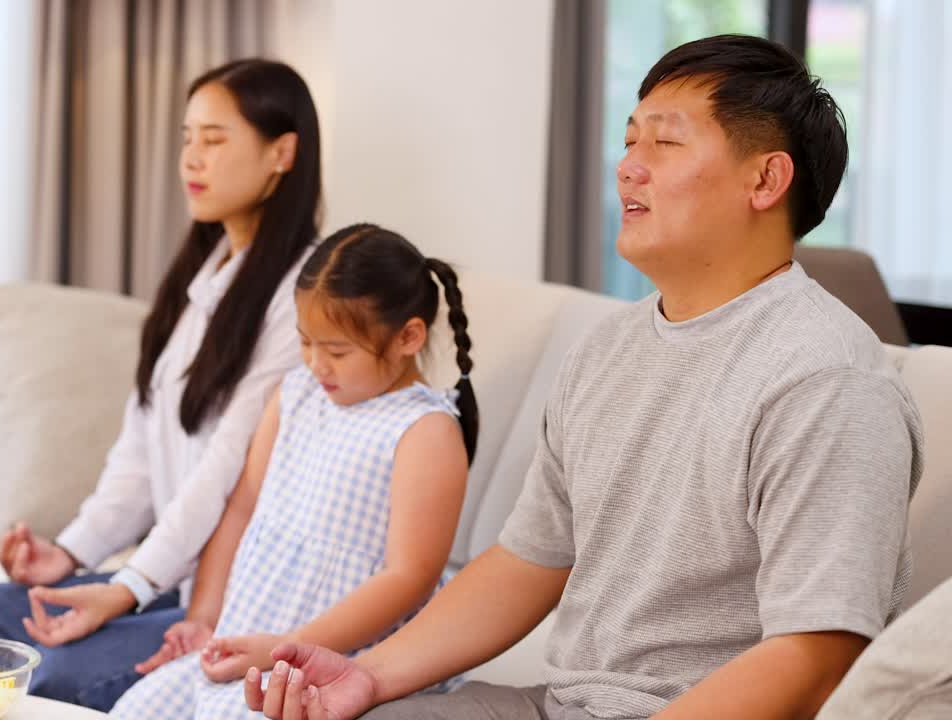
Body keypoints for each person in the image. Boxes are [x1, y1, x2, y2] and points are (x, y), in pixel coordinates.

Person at [245, 34, 924, 720]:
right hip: (562, 705)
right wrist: (368, 675)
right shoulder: (608, 349)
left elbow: (815, 653)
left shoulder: (827, 379)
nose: (628, 167)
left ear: (765, 180)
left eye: (664, 143)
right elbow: (525, 562)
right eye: (630, 142)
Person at [0, 58, 323, 712]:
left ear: (281, 153)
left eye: (215, 138)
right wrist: (72, 552)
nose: (191, 159)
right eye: (186, 138)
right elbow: (141, 451)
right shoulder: (201, 282)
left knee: (49, 675)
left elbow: (226, 469)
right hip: (170, 585)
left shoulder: (304, 296)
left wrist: (126, 587)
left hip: (236, 601)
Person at [108, 223, 480, 719]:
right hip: (250, 643)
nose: (317, 364)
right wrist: (209, 618)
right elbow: (242, 508)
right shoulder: (297, 393)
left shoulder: (425, 431)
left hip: (333, 662)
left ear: (408, 336)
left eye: (338, 351)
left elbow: (408, 577)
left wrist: (289, 645)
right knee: (137, 709)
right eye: (307, 343)